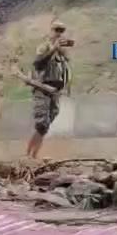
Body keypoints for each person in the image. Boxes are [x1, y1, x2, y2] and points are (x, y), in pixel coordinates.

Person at [26, 21, 73, 159]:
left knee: (46, 126)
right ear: (51, 31)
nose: (59, 33)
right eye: (56, 30)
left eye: (61, 31)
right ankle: (29, 155)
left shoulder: (61, 52)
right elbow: (38, 63)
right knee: (42, 124)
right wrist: (53, 49)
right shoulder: (44, 47)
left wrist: (62, 52)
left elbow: (65, 70)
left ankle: (33, 154)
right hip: (43, 89)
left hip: (55, 91)